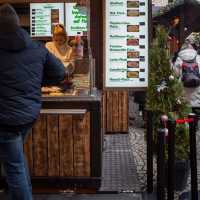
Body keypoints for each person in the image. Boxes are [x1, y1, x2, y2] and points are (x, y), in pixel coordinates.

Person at [0, 4, 67, 200]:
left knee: (14, 167)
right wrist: (36, 80)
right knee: (17, 159)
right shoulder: (36, 47)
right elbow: (60, 74)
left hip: (5, 119)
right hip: (28, 116)